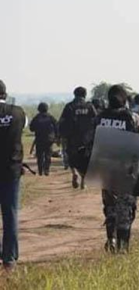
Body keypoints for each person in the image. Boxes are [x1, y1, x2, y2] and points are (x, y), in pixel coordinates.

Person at [94, 85, 139, 253]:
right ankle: (123, 248)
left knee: (110, 207)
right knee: (126, 210)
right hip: (127, 172)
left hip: (105, 170)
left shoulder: (100, 118)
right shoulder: (132, 118)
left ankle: (111, 239)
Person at [0, 80, 26, 272]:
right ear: (5, 94)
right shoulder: (18, 112)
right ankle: (9, 259)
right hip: (11, 170)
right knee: (10, 214)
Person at [58, 87, 97, 189]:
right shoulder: (89, 106)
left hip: (72, 137)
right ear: (85, 95)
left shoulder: (69, 106)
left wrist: (61, 135)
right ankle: (83, 179)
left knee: (72, 157)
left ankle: (74, 172)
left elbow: (62, 122)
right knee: (85, 159)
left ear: (74, 94)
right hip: (87, 138)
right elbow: (96, 120)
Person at [29, 102, 58, 176]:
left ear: (39, 109)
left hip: (39, 139)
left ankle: (40, 170)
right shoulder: (51, 117)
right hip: (49, 140)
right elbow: (56, 127)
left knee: (40, 156)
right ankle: (46, 170)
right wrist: (56, 137)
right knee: (48, 155)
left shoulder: (36, 118)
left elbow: (31, 128)